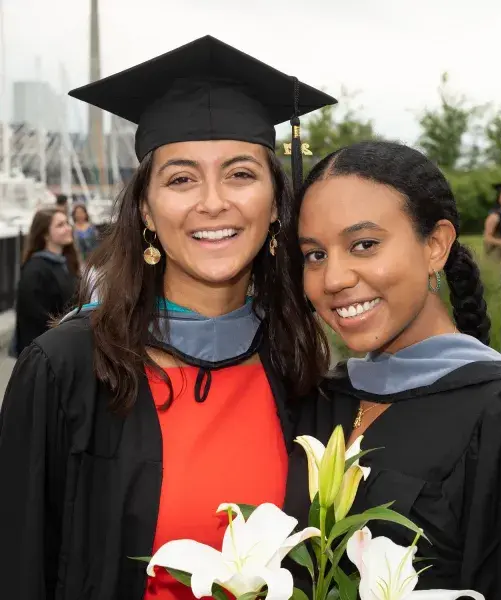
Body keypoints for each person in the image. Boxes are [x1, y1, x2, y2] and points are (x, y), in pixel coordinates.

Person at [0, 36, 335, 600]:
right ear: (146, 211)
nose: (212, 202)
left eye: (240, 174)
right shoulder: (66, 370)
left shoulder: (298, 363)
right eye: (181, 178)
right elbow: (17, 565)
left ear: (277, 203)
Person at [285, 141, 501, 599]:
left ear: (436, 245)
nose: (333, 278)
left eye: (364, 245)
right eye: (315, 254)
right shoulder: (320, 401)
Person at [14, 206, 79, 356]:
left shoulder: (67, 263)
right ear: (45, 234)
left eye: (67, 223)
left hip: (68, 346)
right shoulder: (34, 270)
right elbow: (34, 318)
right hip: (47, 353)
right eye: (60, 225)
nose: (68, 228)